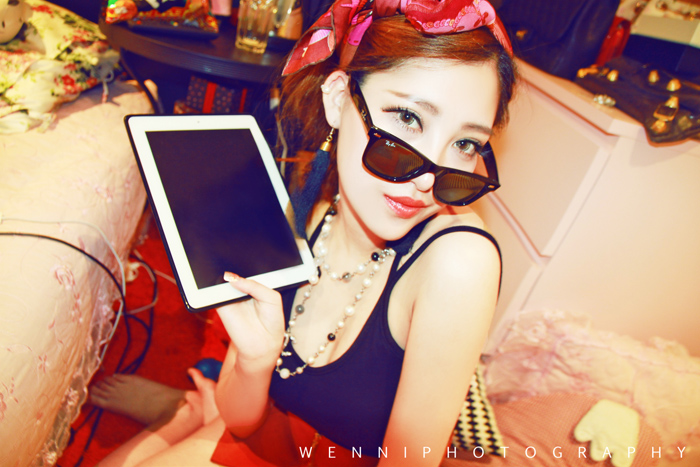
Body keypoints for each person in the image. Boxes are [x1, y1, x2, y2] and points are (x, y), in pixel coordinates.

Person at [90, 0, 517, 465]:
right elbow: (243, 422)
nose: (429, 178)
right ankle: (193, 408)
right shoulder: (304, 211)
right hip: (272, 432)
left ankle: (190, 410)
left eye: (465, 143)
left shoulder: (460, 261)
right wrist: (255, 360)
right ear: (338, 98)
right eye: (408, 118)